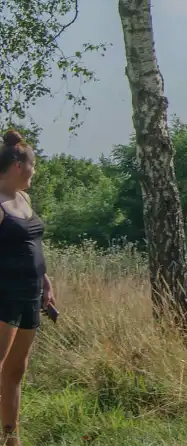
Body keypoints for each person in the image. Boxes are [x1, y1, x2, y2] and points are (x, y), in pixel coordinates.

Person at [0, 130, 53, 446]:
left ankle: (11, 437)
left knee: (16, 369)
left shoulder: (25, 199)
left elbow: (33, 245)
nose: (35, 171)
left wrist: (45, 281)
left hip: (32, 293)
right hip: (4, 295)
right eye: (33, 165)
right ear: (19, 165)